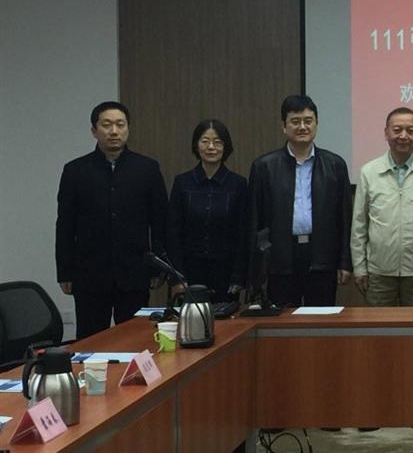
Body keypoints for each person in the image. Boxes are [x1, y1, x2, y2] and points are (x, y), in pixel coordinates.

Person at [56, 101, 168, 339]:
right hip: (89, 275)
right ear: (94, 131)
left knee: (135, 340)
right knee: (90, 341)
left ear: (128, 129)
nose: (114, 131)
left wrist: (159, 267)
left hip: (134, 272)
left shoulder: (147, 169)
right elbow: (65, 224)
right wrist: (64, 271)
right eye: (107, 125)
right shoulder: (75, 171)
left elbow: (160, 221)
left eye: (120, 124)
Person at [248, 95, 352, 307]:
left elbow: (344, 218)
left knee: (321, 321)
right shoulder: (264, 167)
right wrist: (256, 267)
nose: (302, 127)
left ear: (316, 124)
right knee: (282, 321)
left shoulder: (335, 165)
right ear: (283, 126)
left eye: (308, 121)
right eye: (295, 121)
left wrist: (345, 261)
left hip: (322, 257)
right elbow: (254, 220)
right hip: (280, 259)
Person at [350, 107, 413, 307]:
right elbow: (359, 225)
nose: (403, 136)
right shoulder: (369, 172)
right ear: (386, 133)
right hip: (378, 272)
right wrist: (359, 267)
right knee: (380, 326)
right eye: (397, 130)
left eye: (410, 130)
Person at [166, 120, 248, 304]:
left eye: (218, 142)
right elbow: (173, 233)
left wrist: (239, 276)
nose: (211, 147)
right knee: (191, 321)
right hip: (189, 273)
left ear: (226, 147)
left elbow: (243, 234)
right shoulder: (182, 183)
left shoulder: (238, 184)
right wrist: (177, 277)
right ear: (196, 145)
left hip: (226, 274)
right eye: (205, 141)